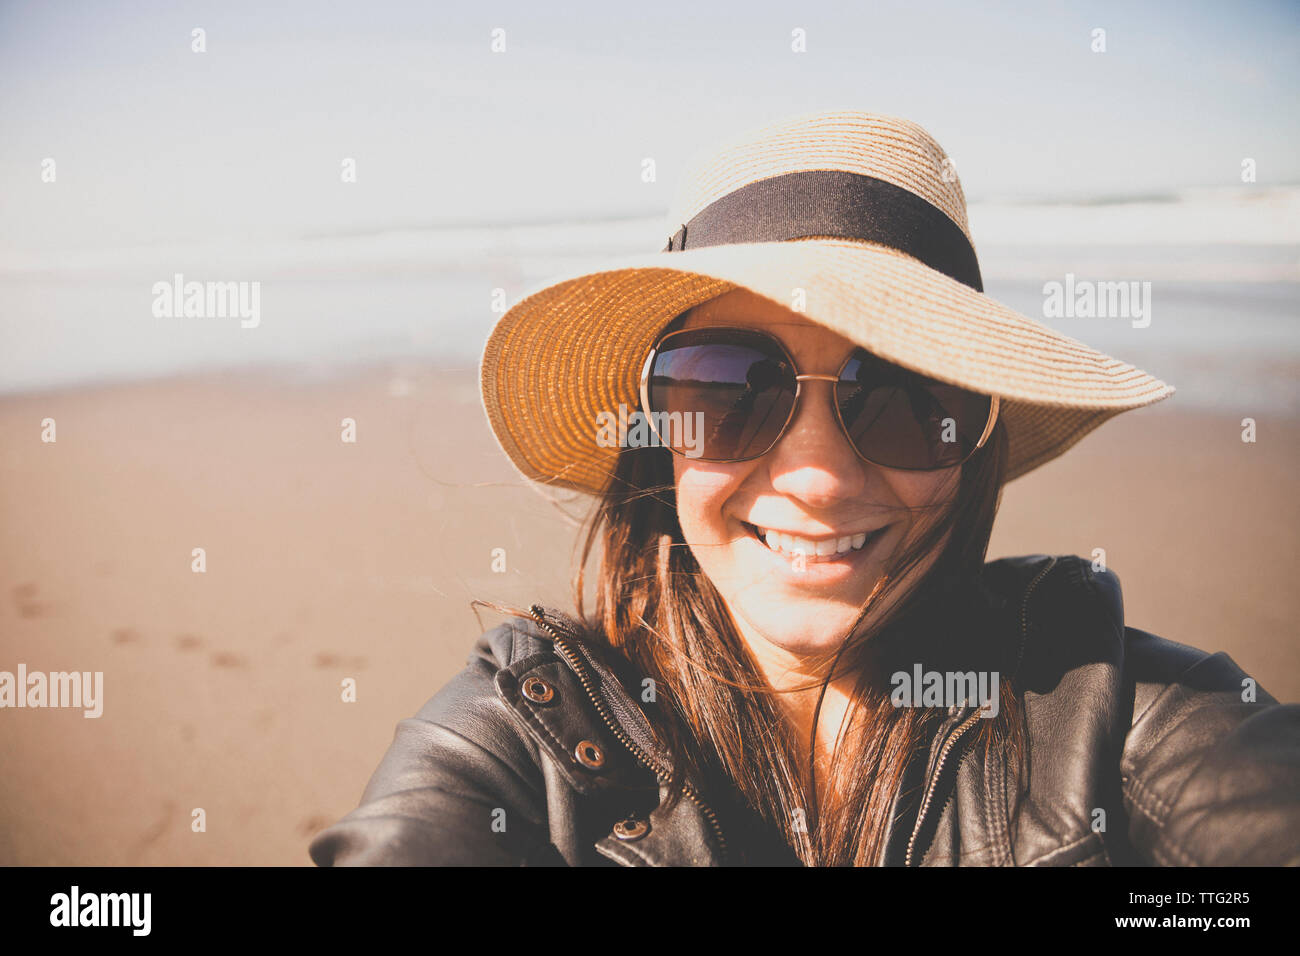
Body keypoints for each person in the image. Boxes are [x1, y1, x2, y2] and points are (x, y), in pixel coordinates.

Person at [309, 110, 1300, 866]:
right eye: (729, 390)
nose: (819, 478)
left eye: (904, 395)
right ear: (657, 439)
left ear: (973, 442)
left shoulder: (1121, 718)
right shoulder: (523, 744)